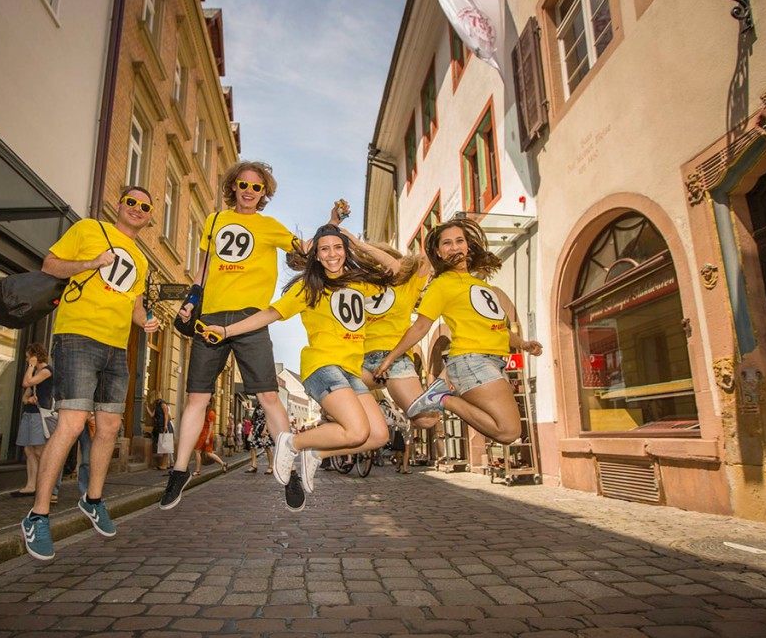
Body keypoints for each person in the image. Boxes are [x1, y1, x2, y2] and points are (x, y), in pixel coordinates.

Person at [204, 214, 396, 508]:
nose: (332, 254)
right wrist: (228, 330)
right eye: (324, 249)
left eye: (338, 247)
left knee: (378, 435)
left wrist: (358, 243)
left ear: (345, 250)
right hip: (322, 366)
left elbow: (396, 269)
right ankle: (292, 443)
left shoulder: (359, 283)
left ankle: (315, 453)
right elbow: (270, 313)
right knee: (357, 430)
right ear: (315, 255)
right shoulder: (309, 287)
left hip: (350, 371)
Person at [20, 185, 159, 561]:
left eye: (144, 207)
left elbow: (134, 302)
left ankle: (93, 499)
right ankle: (38, 515)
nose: (137, 209)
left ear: (148, 217)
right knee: (73, 422)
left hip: (116, 346)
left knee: (110, 427)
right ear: (119, 205)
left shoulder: (142, 260)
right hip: (78, 335)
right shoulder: (88, 230)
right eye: (131, 202)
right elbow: (50, 265)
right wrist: (90, 264)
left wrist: (146, 320)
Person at [161, 161, 299, 510]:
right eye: (244, 185)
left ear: (264, 193)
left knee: (268, 395)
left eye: (257, 187)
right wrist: (192, 301)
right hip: (209, 318)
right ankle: (179, 472)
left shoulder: (270, 227)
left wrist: (327, 232)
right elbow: (203, 270)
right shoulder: (215, 220)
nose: (250, 191)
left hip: (251, 318)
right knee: (196, 397)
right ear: (233, 187)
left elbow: (303, 248)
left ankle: (290, 468)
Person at [375, 217, 542, 444]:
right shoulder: (442, 285)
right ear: (438, 252)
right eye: (447, 243)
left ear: (467, 245)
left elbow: (498, 328)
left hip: (491, 360)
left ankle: (442, 397)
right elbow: (421, 327)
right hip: (472, 361)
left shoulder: (481, 285)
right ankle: (443, 399)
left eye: (459, 241)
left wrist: (522, 344)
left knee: (507, 432)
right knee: (509, 431)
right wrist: (390, 359)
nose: (454, 247)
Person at [359, 244, 440, 438]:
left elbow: (427, 255)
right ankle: (381, 410)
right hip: (361, 359)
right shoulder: (359, 285)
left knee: (426, 419)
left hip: (396, 358)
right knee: (330, 404)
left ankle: (447, 380)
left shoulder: (410, 282)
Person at [12, 343, 54, 498]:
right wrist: (27, 399)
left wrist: (31, 366)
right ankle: (30, 485)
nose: (26, 358)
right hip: (29, 414)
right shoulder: (35, 372)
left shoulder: (46, 371)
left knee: (39, 451)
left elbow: (26, 383)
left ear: (35, 356)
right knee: (28, 449)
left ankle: (45, 486)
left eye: (28, 355)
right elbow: (25, 394)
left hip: (40, 414)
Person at [192, 398, 226, 475]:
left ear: (210, 402)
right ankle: (223, 463)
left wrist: (207, 438)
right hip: (206, 433)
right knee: (208, 453)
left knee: (197, 451)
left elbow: (211, 426)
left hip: (206, 434)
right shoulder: (207, 412)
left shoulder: (211, 413)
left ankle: (197, 470)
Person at [245, 400, 273, 474]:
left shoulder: (267, 405)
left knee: (267, 447)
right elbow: (255, 419)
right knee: (252, 446)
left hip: (264, 428)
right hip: (256, 428)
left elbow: (268, 418)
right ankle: (254, 465)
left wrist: (265, 429)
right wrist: (252, 428)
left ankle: (270, 466)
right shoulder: (258, 406)